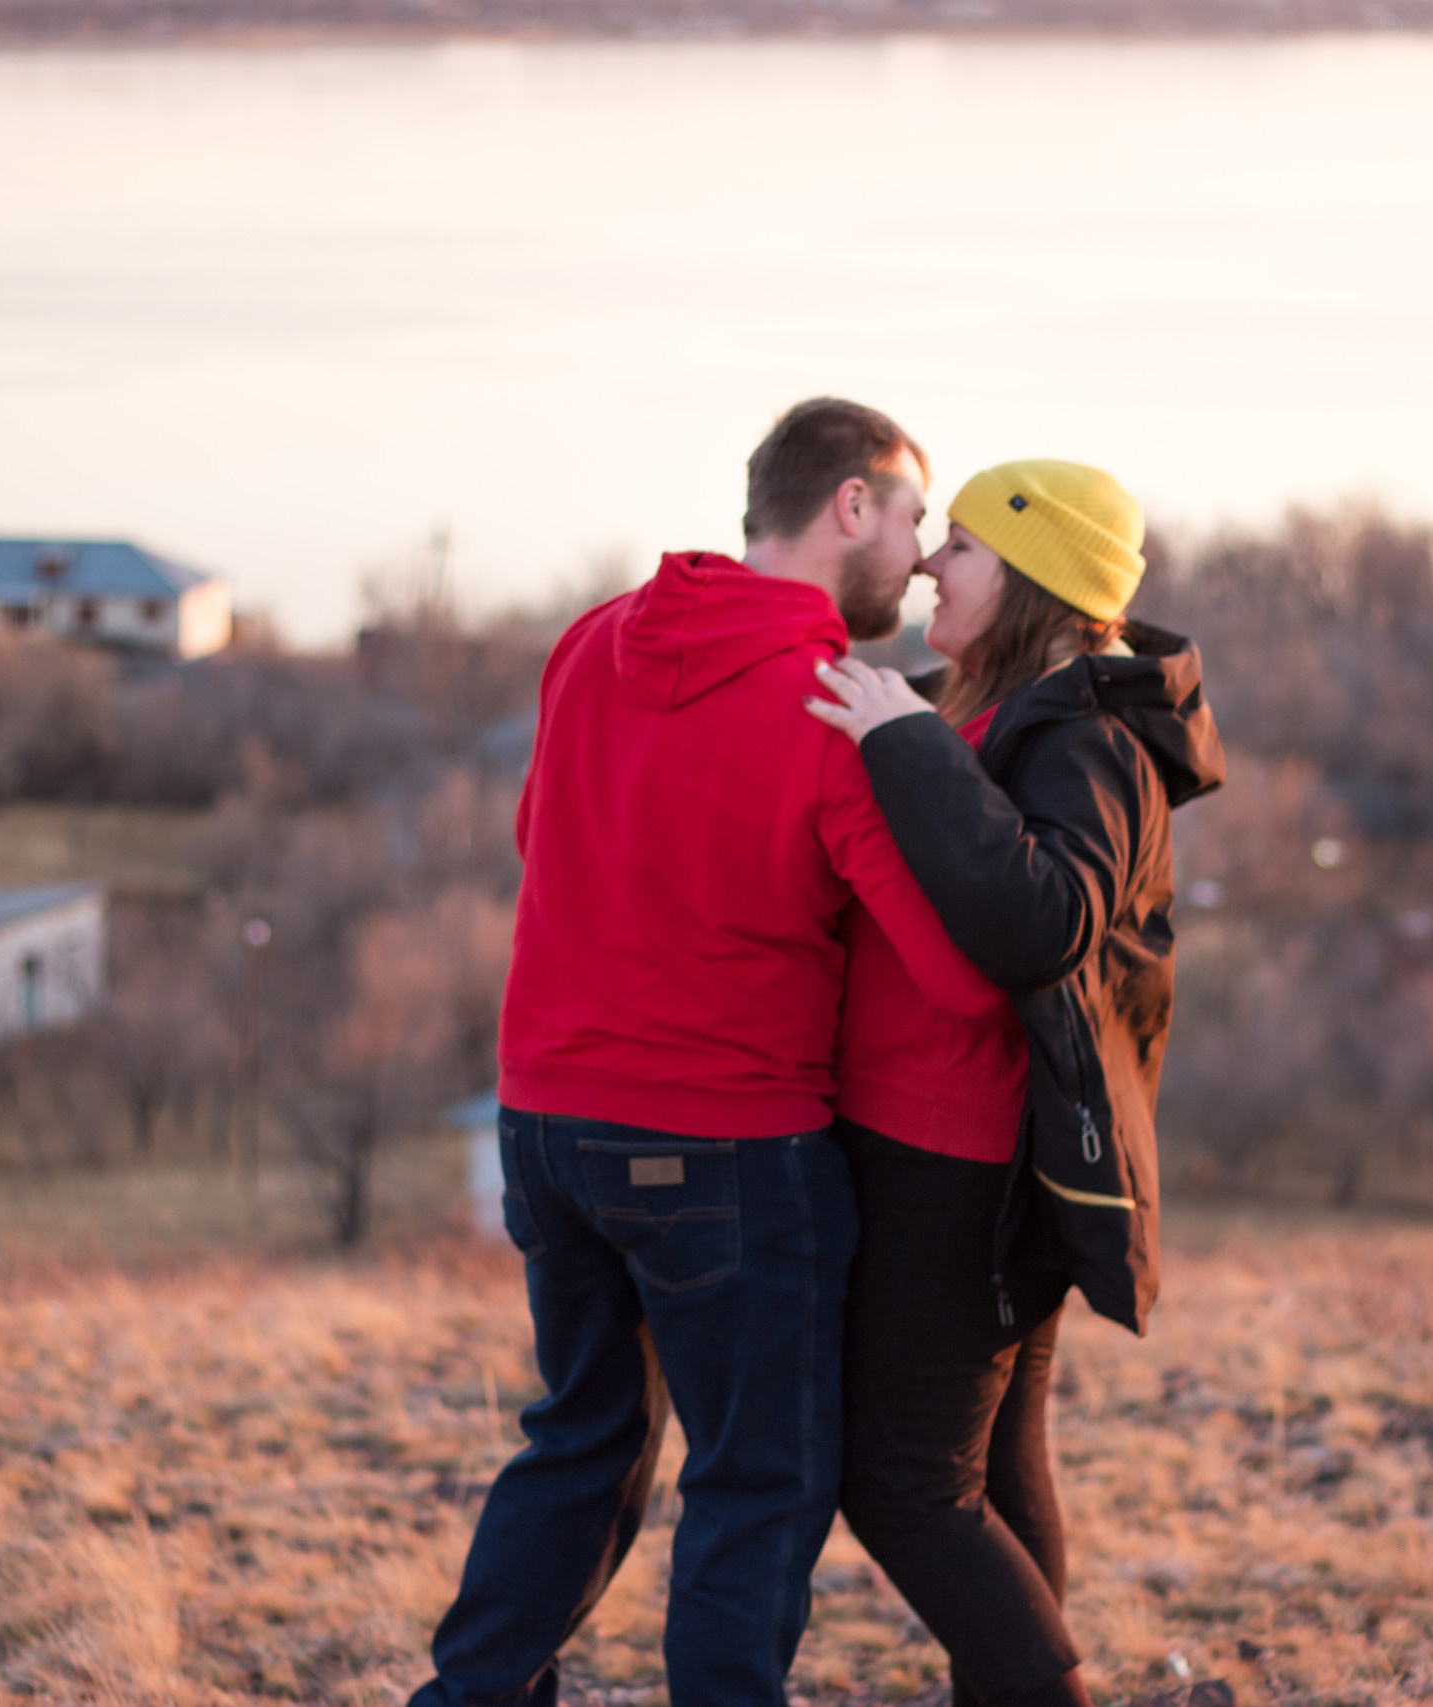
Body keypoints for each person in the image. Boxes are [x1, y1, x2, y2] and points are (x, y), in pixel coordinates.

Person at [408, 399, 1000, 1707]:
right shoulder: (843, 709)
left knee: (579, 1438)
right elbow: (958, 973)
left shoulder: (590, 637)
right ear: (851, 504)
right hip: (728, 1142)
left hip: (544, 1123)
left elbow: (538, 835)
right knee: (758, 1476)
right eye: (912, 515)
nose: (915, 554)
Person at [803, 459, 1224, 1707]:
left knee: (901, 1482)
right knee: (986, 1467)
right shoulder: (1001, 701)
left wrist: (909, 747)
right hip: (957, 1138)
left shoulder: (1089, 731)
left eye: (966, 549)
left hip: (965, 1156)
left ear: (1034, 576)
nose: (931, 562)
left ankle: (1046, 1694)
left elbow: (1043, 921)